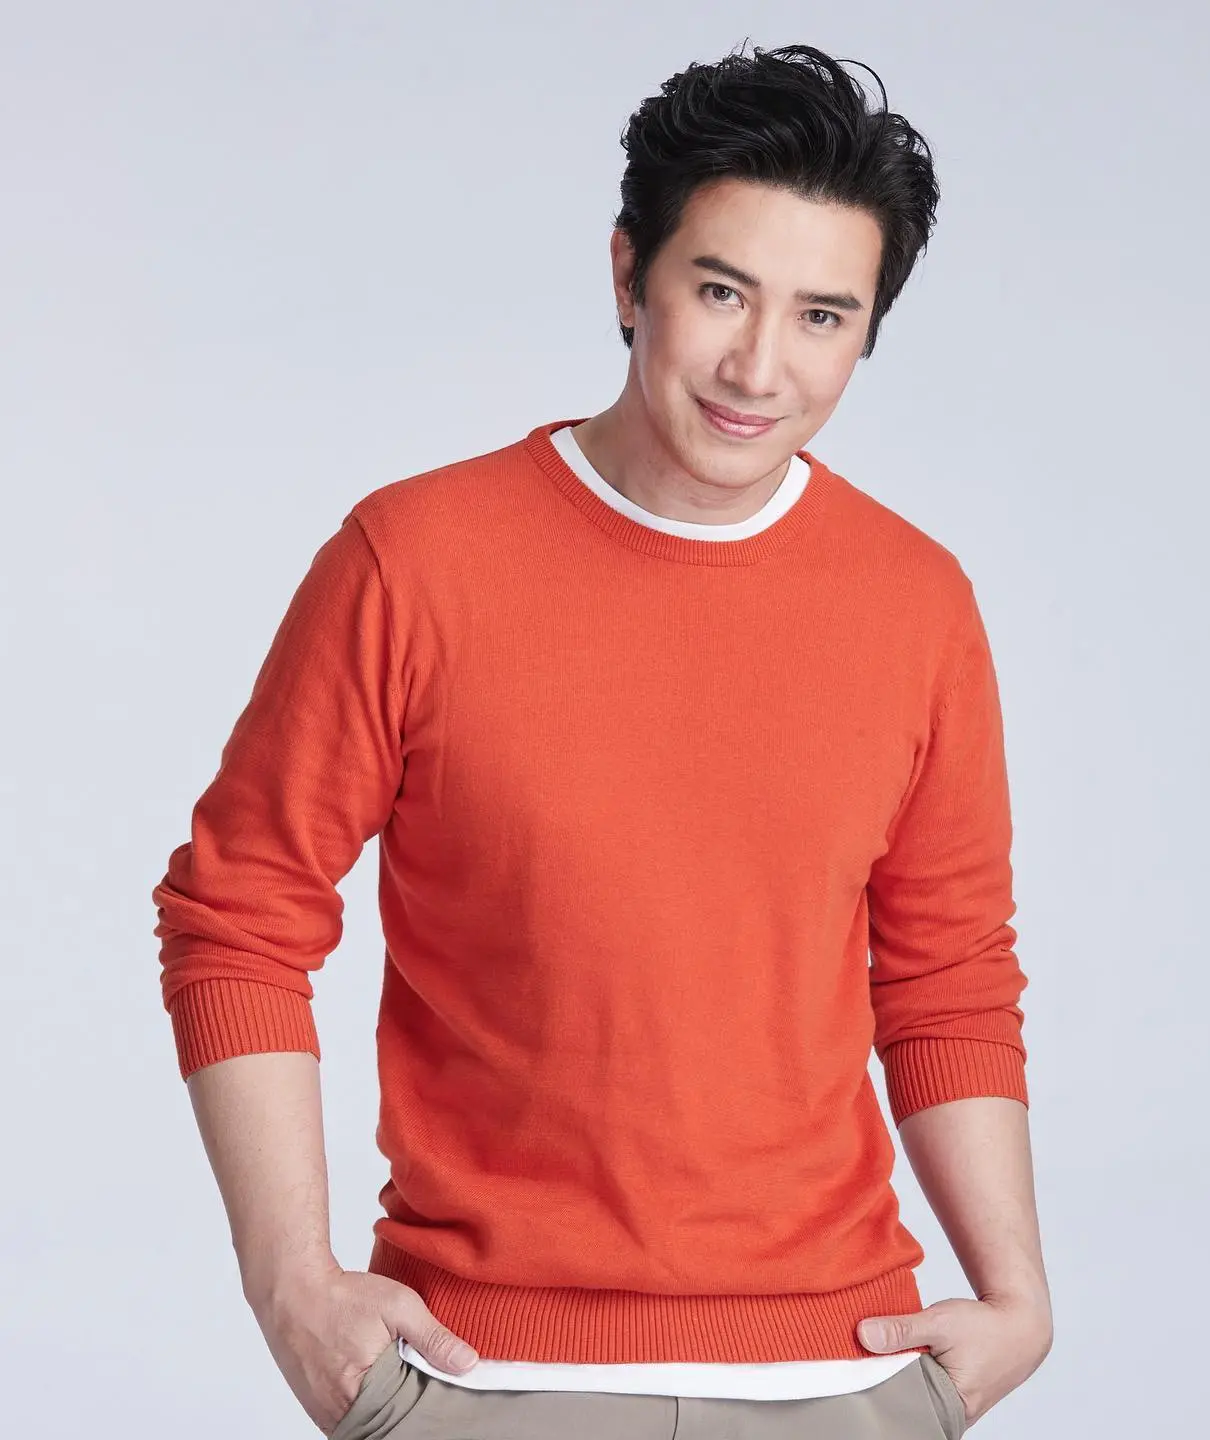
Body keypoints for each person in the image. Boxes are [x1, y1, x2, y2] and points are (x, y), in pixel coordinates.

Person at [153, 40, 1053, 1439]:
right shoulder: (414, 561)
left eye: (823, 315)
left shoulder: (915, 602)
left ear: (867, 331)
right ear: (630, 274)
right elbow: (239, 918)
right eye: (721, 291)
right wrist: (292, 1287)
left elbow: (947, 974)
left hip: (842, 1375)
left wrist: (1017, 1297)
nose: (760, 365)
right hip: (483, 1375)